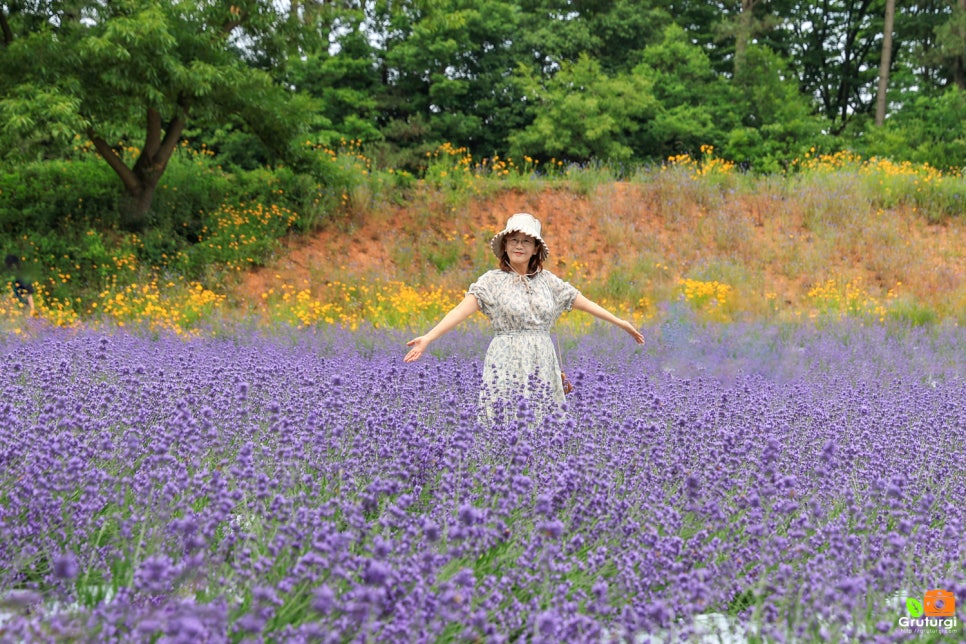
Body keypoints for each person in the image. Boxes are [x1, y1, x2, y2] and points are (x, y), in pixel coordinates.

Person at [404, 212, 644, 423]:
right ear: (506, 245)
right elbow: (459, 311)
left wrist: (620, 322)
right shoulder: (491, 281)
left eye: (526, 241)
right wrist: (428, 337)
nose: (519, 246)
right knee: (504, 418)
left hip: (542, 358)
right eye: (514, 240)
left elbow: (582, 301)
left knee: (544, 422)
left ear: (535, 248)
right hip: (505, 358)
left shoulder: (548, 281)